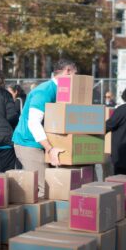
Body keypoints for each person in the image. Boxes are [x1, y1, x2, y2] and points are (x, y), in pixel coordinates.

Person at [12, 58, 77, 197]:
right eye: (75, 75)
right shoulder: (45, 91)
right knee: (44, 188)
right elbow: (34, 122)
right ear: (68, 71)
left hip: (42, 143)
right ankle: (40, 217)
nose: (75, 79)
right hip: (29, 143)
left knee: (53, 186)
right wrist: (50, 149)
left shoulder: (63, 92)